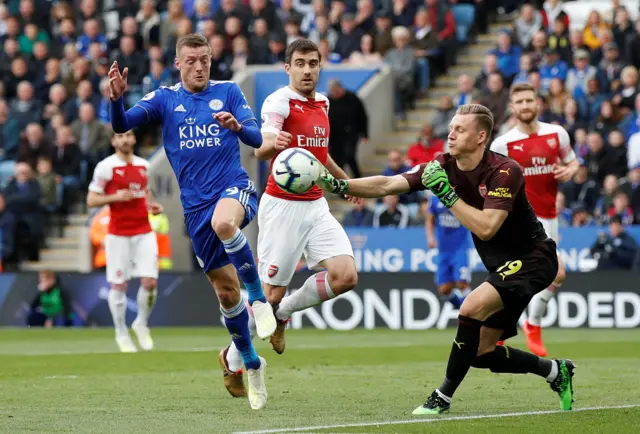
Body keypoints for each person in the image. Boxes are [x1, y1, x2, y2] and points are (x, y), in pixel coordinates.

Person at [316, 103, 575, 415]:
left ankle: (442, 397)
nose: (450, 134)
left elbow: (487, 228)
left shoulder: (505, 171)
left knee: (470, 307)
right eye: (451, 127)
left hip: (534, 257)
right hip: (504, 267)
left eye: (460, 130)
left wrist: (448, 195)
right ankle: (555, 371)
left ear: (481, 137)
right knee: (481, 353)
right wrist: (339, 185)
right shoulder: (442, 164)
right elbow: (388, 183)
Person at [108, 33, 275, 410]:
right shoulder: (166, 99)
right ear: (178, 64)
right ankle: (250, 364)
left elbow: (255, 137)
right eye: (192, 60)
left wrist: (236, 127)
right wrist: (116, 99)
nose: (199, 66)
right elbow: (122, 126)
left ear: (211, 60)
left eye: (205, 59)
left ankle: (261, 301)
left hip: (234, 190)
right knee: (226, 294)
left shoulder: (230, 91)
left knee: (225, 224)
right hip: (194, 209)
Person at [231, 38, 357, 367]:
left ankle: (285, 313)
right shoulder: (279, 102)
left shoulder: (324, 103)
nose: (306, 70)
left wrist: (344, 182)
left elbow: (320, 154)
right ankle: (231, 359)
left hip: (316, 204)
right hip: (283, 205)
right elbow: (259, 148)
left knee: (345, 276)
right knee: (269, 296)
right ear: (287, 68)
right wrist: (275, 142)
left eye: (312, 64)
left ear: (320, 67)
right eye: (299, 63)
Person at [490, 83, 579, 357]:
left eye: (530, 100)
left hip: (550, 216)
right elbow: (491, 182)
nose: (525, 106)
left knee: (520, 278)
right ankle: (532, 324)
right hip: (520, 219)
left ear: (537, 103)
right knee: (557, 271)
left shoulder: (557, 134)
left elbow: (573, 161)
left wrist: (570, 170)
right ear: (512, 107)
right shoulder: (502, 143)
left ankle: (502, 326)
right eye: (520, 101)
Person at [87, 130, 162, 353]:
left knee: (150, 282)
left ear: (134, 139)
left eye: (129, 135)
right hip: (118, 233)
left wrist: (153, 206)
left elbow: (145, 192)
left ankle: (141, 323)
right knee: (119, 285)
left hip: (143, 231)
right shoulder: (105, 167)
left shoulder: (143, 166)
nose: (125, 140)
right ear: (113, 141)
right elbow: (91, 199)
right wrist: (114, 197)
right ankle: (121, 331)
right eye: (120, 137)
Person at [426, 195, 472, 309]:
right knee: (444, 289)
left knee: (462, 283)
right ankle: (463, 308)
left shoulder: (463, 197)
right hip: (443, 250)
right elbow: (430, 221)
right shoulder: (435, 199)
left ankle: (471, 314)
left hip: (460, 248)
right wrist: (430, 238)